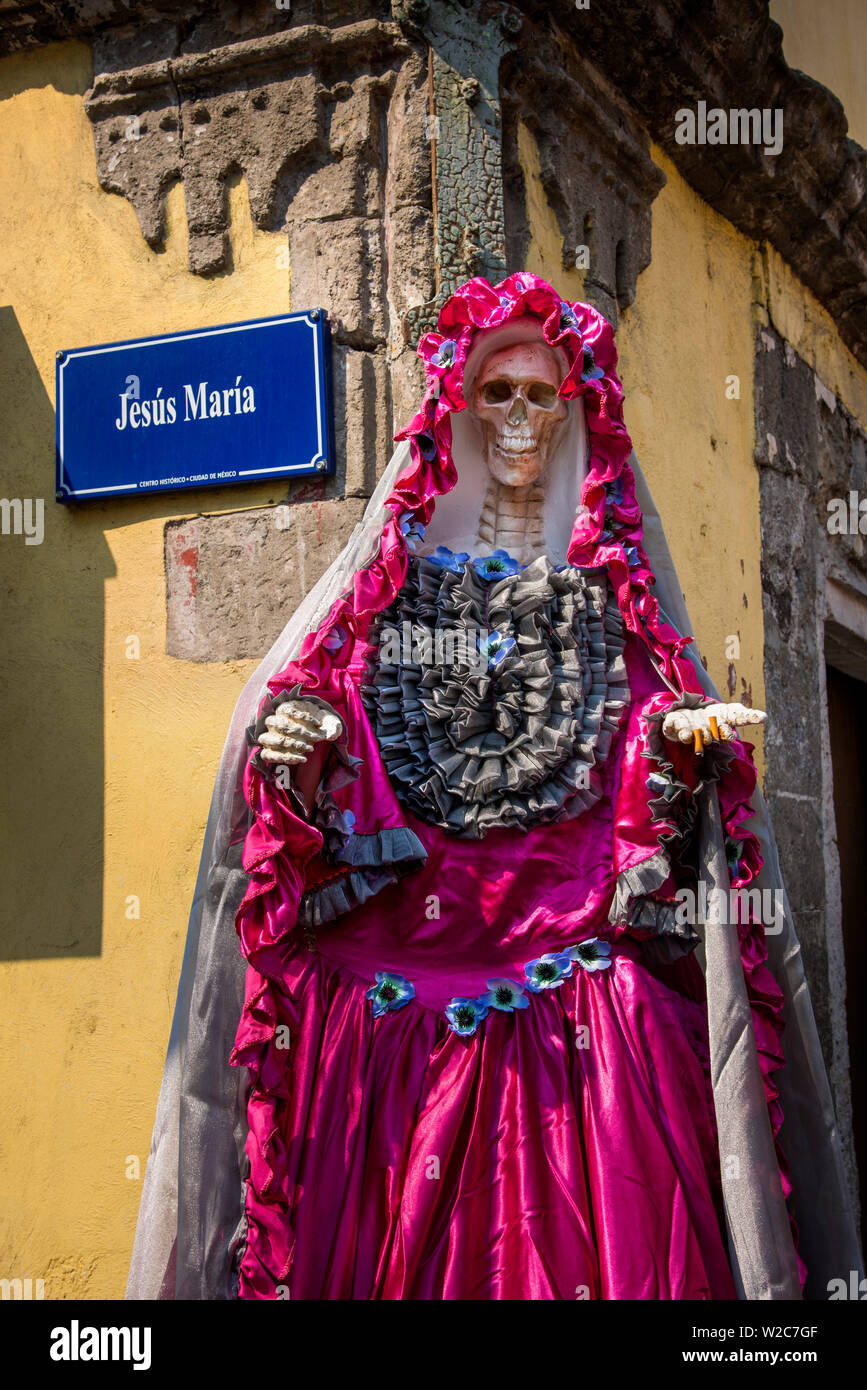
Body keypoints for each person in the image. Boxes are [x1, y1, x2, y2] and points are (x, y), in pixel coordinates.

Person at [127, 273, 862, 1301]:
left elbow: (644, 790)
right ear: (460, 409)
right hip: (395, 1040)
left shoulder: (611, 599)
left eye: (541, 397)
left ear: (572, 416)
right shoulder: (383, 598)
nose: (520, 417)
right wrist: (295, 743)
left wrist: (674, 740)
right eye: (498, 394)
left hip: (581, 1035)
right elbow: (318, 743)